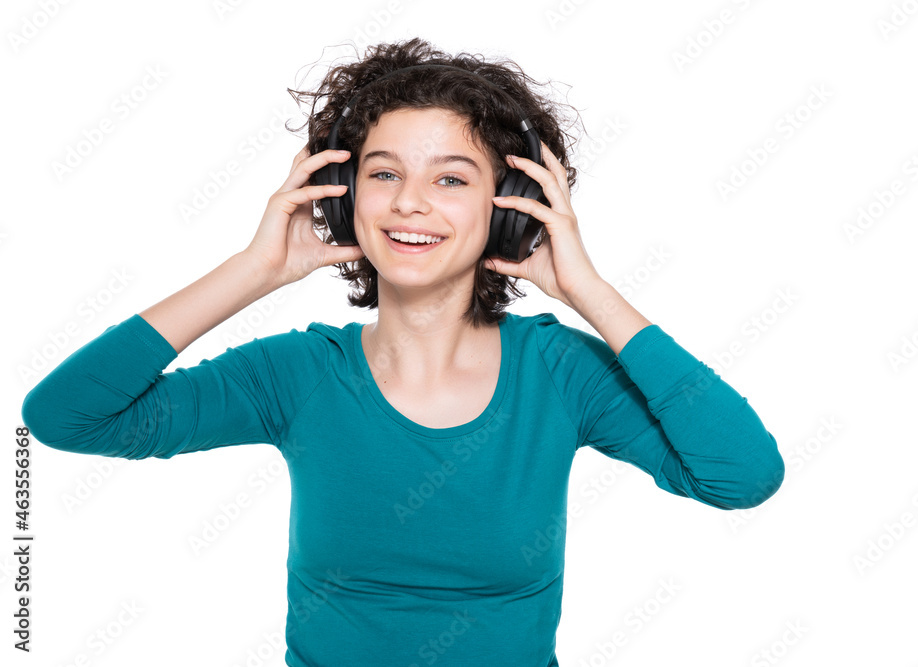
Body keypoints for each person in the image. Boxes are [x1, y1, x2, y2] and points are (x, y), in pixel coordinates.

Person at [21, 37, 784, 666]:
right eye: (384, 173)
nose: (410, 201)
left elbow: (742, 475)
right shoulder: (296, 374)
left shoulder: (559, 370)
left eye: (451, 178)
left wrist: (586, 289)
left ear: (510, 210)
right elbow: (66, 416)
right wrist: (254, 270)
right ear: (343, 195)